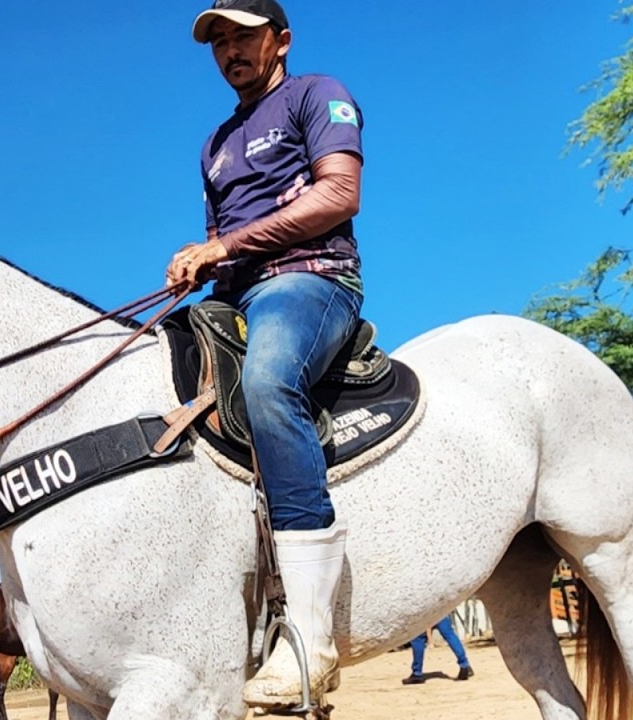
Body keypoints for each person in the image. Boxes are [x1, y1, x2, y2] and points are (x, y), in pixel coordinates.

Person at [172, 0, 366, 708]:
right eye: (218, 42)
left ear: (280, 40)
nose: (229, 51)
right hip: (239, 291)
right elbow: (222, 238)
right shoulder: (215, 141)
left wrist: (222, 246)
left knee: (267, 381)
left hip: (311, 280)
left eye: (242, 37)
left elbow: (340, 195)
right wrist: (200, 261)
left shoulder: (318, 93)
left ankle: (310, 637)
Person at [400, 615, 474, 686]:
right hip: (439, 609)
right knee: (449, 634)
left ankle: (417, 673)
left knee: (418, 638)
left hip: (423, 613)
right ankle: (464, 665)